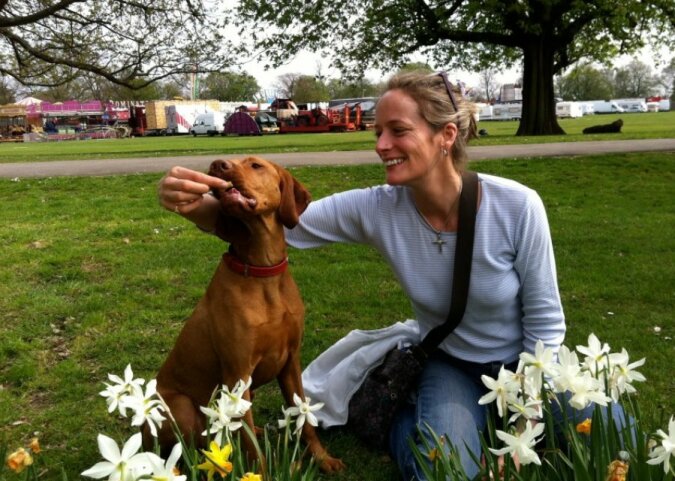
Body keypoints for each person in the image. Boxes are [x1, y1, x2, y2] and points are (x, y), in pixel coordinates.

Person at [157, 71, 611, 479]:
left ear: (445, 135)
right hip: (449, 363)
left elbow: (547, 325)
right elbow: (280, 224)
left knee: (612, 436)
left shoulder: (517, 205)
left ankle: (487, 417)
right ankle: (402, 421)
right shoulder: (377, 208)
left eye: (398, 131)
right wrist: (197, 204)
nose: (380, 146)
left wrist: (527, 416)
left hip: (526, 364)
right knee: (446, 469)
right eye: (378, 132)